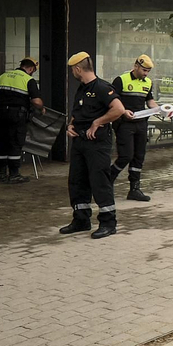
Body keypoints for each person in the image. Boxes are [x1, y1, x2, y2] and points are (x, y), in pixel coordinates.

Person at [60, 53, 125, 239]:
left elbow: (119, 109)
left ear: (78, 69)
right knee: (77, 181)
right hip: (80, 141)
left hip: (97, 142)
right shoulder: (82, 89)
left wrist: (98, 122)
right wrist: (71, 126)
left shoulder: (102, 87)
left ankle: (108, 223)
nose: (73, 73)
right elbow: (77, 113)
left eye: (73, 70)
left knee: (99, 181)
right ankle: (81, 219)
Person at [110, 54, 156, 202]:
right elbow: (112, 100)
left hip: (141, 123)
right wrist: (123, 111)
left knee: (139, 156)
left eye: (148, 71)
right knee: (126, 156)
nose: (146, 74)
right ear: (136, 66)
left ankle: (134, 189)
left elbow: (150, 101)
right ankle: (107, 179)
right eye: (144, 70)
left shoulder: (148, 82)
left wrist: (161, 109)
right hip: (124, 123)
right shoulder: (121, 80)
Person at [0, 57, 43, 183]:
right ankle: (14, 175)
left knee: (2, 143)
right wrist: (41, 108)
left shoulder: (4, 76)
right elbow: (36, 101)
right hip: (17, 115)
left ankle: (1, 174)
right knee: (15, 142)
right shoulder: (28, 80)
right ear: (31, 69)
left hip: (1, 114)